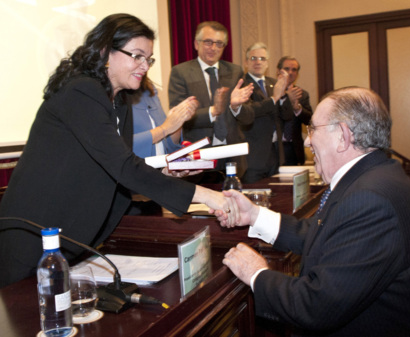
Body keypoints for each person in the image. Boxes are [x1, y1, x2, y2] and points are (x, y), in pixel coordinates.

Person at [0, 14, 236, 288]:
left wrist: (165, 170)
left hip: (69, 236)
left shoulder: (119, 102)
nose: (144, 66)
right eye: (136, 56)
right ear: (105, 51)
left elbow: (114, 168)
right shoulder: (81, 91)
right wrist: (208, 196)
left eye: (148, 59)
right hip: (32, 234)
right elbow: (123, 166)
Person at [217, 87, 410, 336]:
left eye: (312, 129)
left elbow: (317, 306)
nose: (308, 140)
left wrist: (256, 273)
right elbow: (330, 232)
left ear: (343, 136)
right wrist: (255, 215)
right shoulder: (375, 176)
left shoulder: (371, 197)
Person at [168, 21, 253, 177]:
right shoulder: (181, 72)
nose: (213, 48)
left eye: (219, 44)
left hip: (232, 155)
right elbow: (177, 117)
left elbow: (249, 118)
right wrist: (213, 111)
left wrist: (236, 107)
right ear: (196, 44)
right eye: (208, 42)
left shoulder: (235, 72)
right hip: (198, 156)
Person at [240, 42, 289, 183]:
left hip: (275, 152)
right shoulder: (242, 84)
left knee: (277, 198)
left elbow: (287, 116)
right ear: (246, 62)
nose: (258, 62)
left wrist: (283, 95)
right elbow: (249, 111)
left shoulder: (274, 83)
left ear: (267, 63)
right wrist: (274, 98)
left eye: (262, 59)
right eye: (253, 58)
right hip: (253, 155)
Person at [131, 76, 198, 158]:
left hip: (161, 168)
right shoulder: (114, 95)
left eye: (149, 62)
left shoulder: (149, 89)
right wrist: (166, 128)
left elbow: (167, 145)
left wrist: (179, 119)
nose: (145, 66)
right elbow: (119, 146)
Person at [277, 56, 313, 166]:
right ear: (278, 71)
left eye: (294, 70)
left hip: (294, 149)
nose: (290, 72)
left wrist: (297, 108)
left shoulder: (302, 94)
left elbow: (310, 120)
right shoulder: (270, 92)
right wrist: (286, 99)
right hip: (275, 148)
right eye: (287, 69)